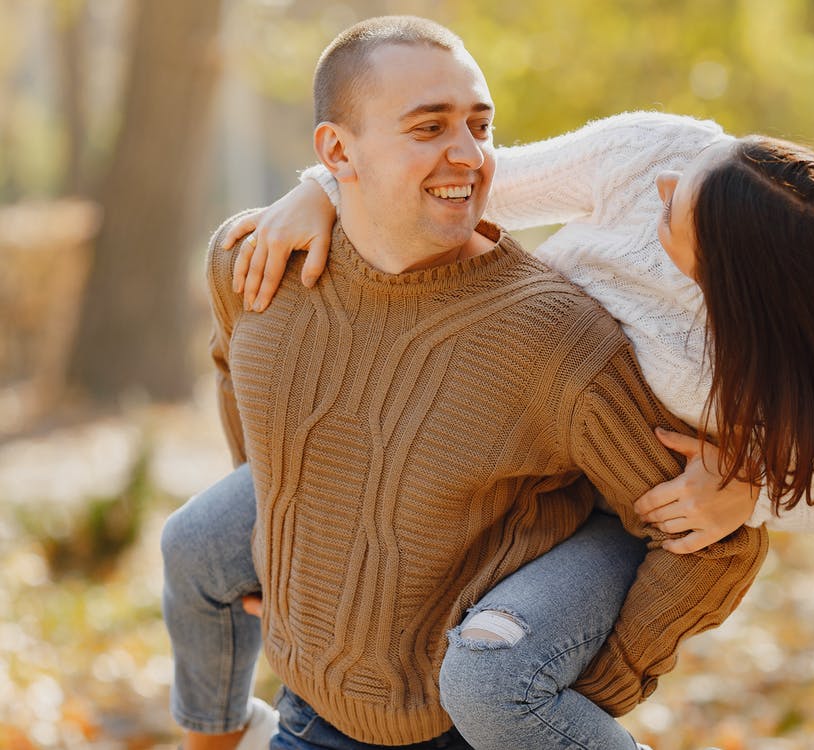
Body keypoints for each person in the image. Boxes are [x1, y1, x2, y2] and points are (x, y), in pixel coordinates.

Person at [162, 15, 769, 750]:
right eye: (429, 128)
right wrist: (283, 546)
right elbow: (240, 384)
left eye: (480, 126)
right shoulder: (253, 264)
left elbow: (714, 544)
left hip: (468, 729)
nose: (470, 156)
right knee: (191, 543)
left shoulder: (556, 338)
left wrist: (588, 691)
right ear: (335, 152)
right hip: (310, 714)